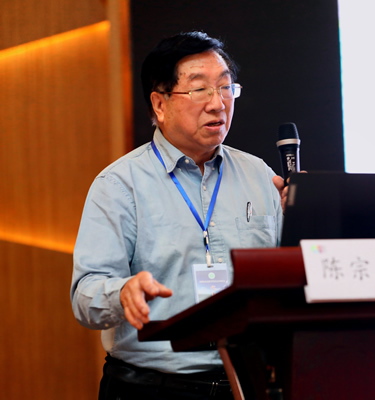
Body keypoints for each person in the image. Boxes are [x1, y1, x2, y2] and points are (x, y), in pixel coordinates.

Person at [70, 31, 287, 399]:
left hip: (248, 384)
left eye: (226, 88)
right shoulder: (120, 185)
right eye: (200, 90)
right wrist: (123, 292)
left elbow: (288, 279)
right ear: (160, 104)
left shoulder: (260, 176)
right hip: (153, 388)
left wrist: (304, 222)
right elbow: (84, 296)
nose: (218, 103)